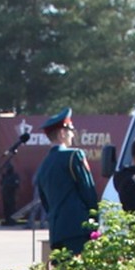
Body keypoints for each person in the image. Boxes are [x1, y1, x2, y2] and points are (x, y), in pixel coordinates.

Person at [33, 107, 100, 253]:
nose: (72, 134)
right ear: (62, 133)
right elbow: (88, 191)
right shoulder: (74, 155)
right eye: (70, 130)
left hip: (57, 233)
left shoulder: (43, 165)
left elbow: (46, 203)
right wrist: (96, 221)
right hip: (78, 230)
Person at [0, 159, 21, 224]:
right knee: (6, 208)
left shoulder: (15, 175)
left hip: (12, 194)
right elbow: (1, 183)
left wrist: (10, 185)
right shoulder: (5, 176)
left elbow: (17, 184)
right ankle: (7, 220)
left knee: (12, 208)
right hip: (5, 194)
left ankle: (12, 220)